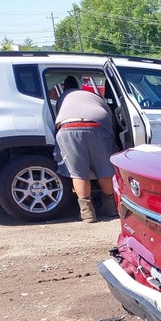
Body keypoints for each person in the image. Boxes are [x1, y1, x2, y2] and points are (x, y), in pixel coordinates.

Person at [54, 76, 119, 222]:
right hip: (97, 124)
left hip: (68, 128)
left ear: (64, 88)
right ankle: (111, 208)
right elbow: (109, 115)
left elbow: (58, 116)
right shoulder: (92, 95)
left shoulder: (63, 97)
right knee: (105, 170)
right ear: (79, 86)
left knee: (78, 173)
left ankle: (87, 213)